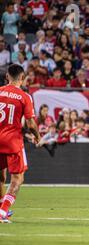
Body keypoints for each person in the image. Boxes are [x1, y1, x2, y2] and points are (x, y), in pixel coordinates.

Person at [0, 64, 40, 223]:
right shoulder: (24, 96)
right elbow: (30, 123)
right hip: (12, 141)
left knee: (0, 177)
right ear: (22, 78)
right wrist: (37, 135)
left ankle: (1, 207)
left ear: (7, 77)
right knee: (18, 178)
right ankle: (3, 211)